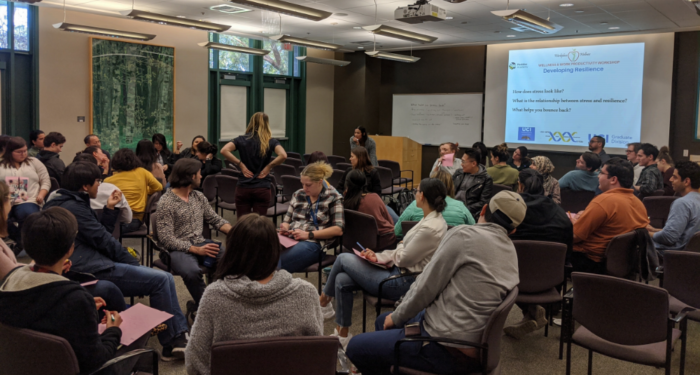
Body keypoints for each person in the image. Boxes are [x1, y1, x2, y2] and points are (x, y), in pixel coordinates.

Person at [346, 191, 525, 375]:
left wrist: (398, 316)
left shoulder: (463, 235)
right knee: (382, 320)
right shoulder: (511, 252)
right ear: (513, 230)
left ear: (484, 209)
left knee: (355, 347)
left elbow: (425, 287)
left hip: (444, 347)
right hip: (474, 346)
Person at [44, 161, 189, 360]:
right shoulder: (73, 206)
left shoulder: (67, 200)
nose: (100, 185)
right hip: (90, 267)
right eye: (97, 181)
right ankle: (172, 341)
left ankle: (176, 335)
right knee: (162, 279)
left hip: (86, 262)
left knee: (163, 278)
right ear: (85, 186)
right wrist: (132, 263)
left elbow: (96, 234)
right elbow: (102, 240)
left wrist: (110, 209)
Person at [185, 214, 322, 375]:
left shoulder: (214, 296)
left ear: (232, 250)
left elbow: (195, 362)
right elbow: (318, 356)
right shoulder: (306, 293)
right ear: (275, 249)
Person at [321, 178, 448, 348]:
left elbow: (403, 257)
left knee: (342, 258)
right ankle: (343, 334)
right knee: (342, 279)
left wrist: (400, 247)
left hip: (401, 281)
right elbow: (402, 251)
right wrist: (378, 257)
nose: (415, 194)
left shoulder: (431, 227)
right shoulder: (429, 219)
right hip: (397, 271)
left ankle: (323, 300)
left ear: (422, 195)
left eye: (417, 191)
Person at [0, 207, 123, 375]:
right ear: (70, 249)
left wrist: (85, 311)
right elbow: (96, 361)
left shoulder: (7, 283)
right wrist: (113, 329)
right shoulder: (75, 300)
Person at [505, 169, 572, 339]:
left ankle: (531, 311)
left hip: (512, 275)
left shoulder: (510, 212)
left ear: (519, 186)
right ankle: (534, 310)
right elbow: (568, 252)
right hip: (551, 278)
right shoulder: (559, 214)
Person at [156, 159, 232, 309]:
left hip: (200, 242)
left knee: (229, 262)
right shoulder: (166, 202)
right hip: (177, 249)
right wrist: (195, 249)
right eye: (199, 173)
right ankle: (206, 307)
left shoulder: (198, 197)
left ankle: (217, 300)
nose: (201, 176)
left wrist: (237, 231)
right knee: (191, 272)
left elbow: (215, 219)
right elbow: (166, 239)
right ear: (190, 176)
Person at [570, 158, 649, 274]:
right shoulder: (638, 203)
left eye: (601, 173)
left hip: (591, 262)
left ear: (613, 179)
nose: (598, 176)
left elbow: (575, 236)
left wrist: (574, 222)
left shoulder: (603, 201)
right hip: (622, 263)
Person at [279, 162, 344, 273]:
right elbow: (286, 221)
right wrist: (284, 227)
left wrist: (308, 234)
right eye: (302, 184)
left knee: (275, 261)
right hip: (291, 238)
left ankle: (266, 287)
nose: (304, 188)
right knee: (259, 250)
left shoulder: (333, 197)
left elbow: (338, 230)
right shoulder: (298, 194)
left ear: (320, 182)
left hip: (313, 243)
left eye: (308, 185)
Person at [221, 112, 287, 219]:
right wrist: (268, 167)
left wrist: (240, 165)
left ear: (251, 123)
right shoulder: (271, 141)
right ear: (267, 124)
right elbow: (283, 155)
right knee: (258, 224)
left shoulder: (241, 139)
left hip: (243, 186)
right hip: (262, 186)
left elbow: (224, 150)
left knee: (243, 223)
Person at [0, 137, 51, 253]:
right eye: (19, 152)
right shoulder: (1, 165)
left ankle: (22, 243)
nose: (23, 154)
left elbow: (46, 181)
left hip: (29, 199)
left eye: (25, 151)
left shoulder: (34, 162)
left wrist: (41, 195)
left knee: (27, 214)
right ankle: (20, 240)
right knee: (3, 219)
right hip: (5, 200)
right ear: (10, 151)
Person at [395, 169, 474, 237]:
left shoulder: (415, 204)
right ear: (451, 186)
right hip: (453, 252)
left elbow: (396, 232)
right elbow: (474, 231)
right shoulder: (460, 206)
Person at [105, 149, 162, 234]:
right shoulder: (142, 172)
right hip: (135, 221)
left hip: (113, 221)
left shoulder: (108, 180)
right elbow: (159, 187)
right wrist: (144, 191)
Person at [648, 161, 700, 252]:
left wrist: (646, 233)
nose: (670, 179)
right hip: (691, 255)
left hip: (672, 255)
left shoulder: (682, 203)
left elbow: (669, 238)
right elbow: (683, 232)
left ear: (686, 181)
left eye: (675, 177)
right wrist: (654, 229)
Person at [66, 154, 133, 224]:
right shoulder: (112, 190)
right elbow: (127, 219)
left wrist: (110, 207)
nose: (99, 184)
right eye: (97, 180)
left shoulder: (58, 197)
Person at [343, 169, 396, 250]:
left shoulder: (344, 204)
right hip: (384, 241)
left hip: (357, 243)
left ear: (347, 185)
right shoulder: (374, 198)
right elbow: (390, 222)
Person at [453, 148, 492, 218]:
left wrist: (463, 209)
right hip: (453, 206)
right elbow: (448, 190)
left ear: (474, 163)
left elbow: (483, 202)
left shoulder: (486, 179)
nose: (461, 164)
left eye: (463, 162)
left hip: (469, 211)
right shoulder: (459, 173)